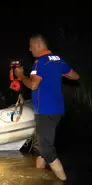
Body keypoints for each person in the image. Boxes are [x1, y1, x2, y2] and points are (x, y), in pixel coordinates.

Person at [14, 34, 80, 181]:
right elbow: (75, 76)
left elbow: (33, 85)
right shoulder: (58, 59)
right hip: (56, 110)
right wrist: (57, 74)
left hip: (45, 111)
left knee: (46, 149)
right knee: (40, 146)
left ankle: (63, 180)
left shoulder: (39, 63)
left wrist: (21, 76)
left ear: (38, 45)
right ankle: (39, 177)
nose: (29, 49)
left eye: (31, 46)